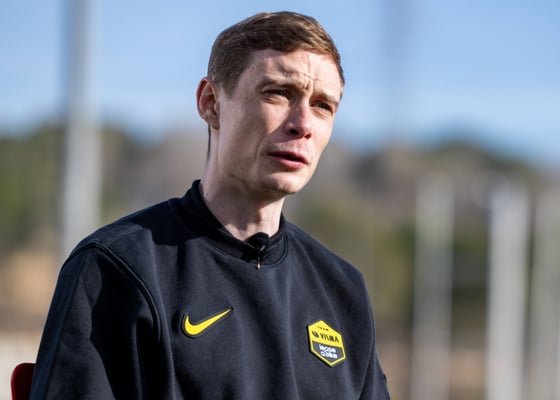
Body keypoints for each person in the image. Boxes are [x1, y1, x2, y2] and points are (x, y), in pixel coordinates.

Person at [30, 11, 390, 399]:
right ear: (210, 103)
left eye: (322, 106)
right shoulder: (116, 267)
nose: (302, 123)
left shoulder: (343, 290)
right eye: (278, 93)